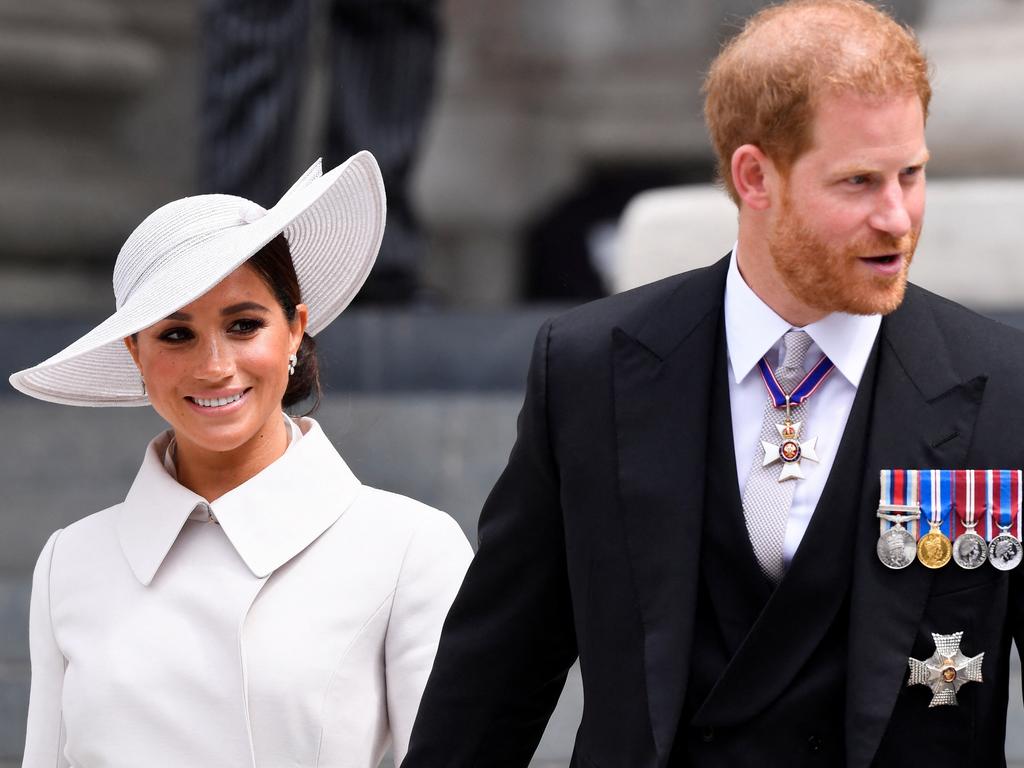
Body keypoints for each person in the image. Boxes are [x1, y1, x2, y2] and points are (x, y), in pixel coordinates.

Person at [402, 1, 1024, 766]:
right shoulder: (591, 368)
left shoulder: (1003, 384)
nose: (897, 217)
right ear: (755, 177)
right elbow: (495, 676)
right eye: (859, 181)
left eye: (912, 174)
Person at [11, 152, 472, 767]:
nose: (214, 366)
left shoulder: (410, 548)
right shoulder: (68, 563)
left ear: (294, 329)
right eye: (176, 334)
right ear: (136, 354)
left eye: (244, 324)